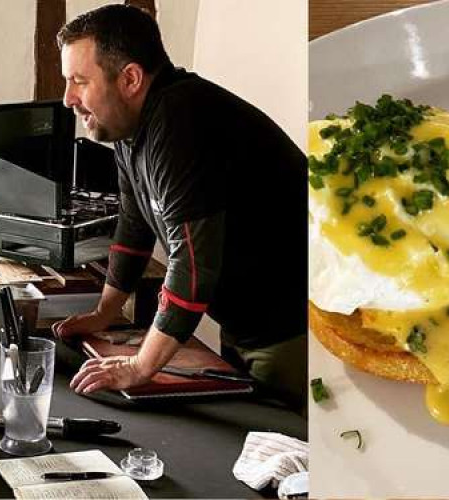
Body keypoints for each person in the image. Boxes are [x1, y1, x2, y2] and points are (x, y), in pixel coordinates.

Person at [53, 4, 307, 412]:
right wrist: (106, 311)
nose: (68, 99)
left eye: (80, 81)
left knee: (285, 453)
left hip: (289, 332)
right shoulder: (128, 126)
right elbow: (134, 225)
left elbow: (192, 263)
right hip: (242, 325)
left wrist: (140, 366)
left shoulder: (180, 120)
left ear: (131, 78)